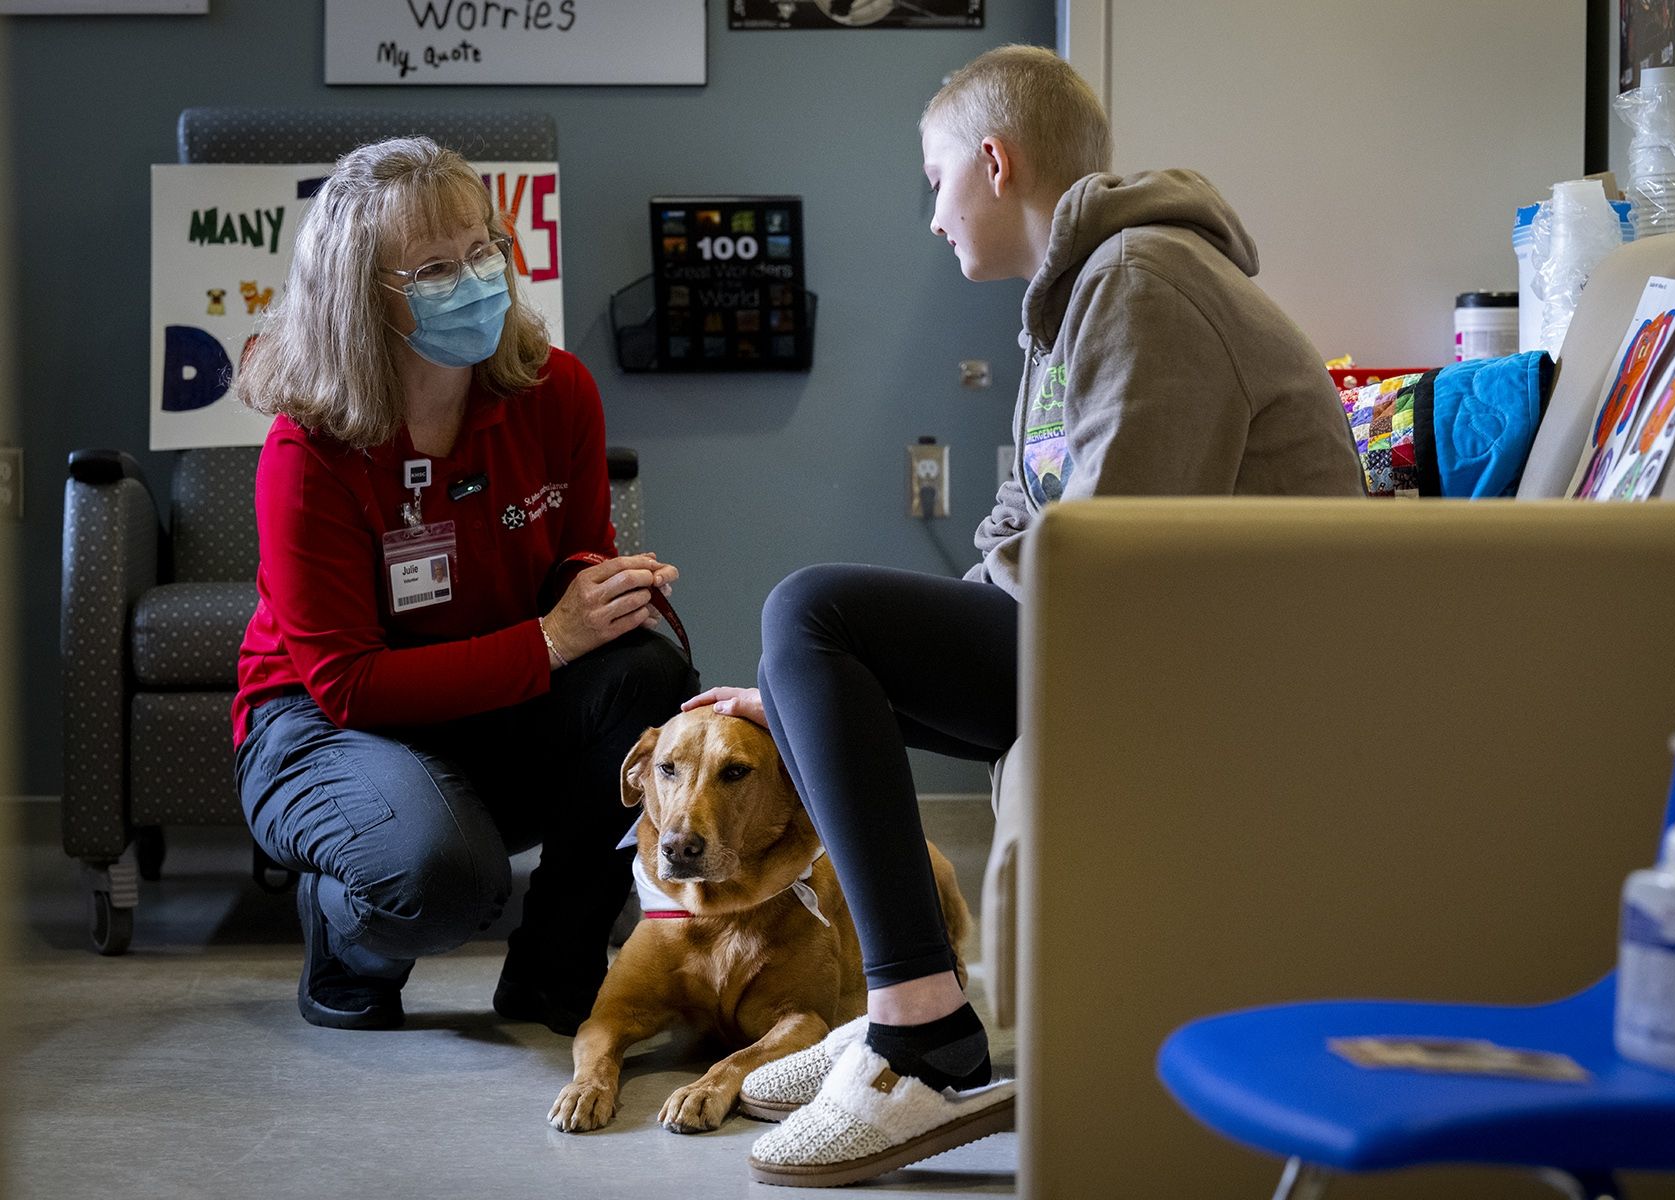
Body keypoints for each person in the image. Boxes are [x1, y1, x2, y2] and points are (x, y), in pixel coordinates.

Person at [686, 44, 1364, 1186]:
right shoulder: (1070, 303)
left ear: (995, 163)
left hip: (1236, 658)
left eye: (936, 181)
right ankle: (924, 1013)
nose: (934, 216)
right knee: (804, 653)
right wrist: (823, 695)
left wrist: (866, 663)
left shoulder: (1144, 280)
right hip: (1154, 633)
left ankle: (919, 1028)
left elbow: (1119, 547)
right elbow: (1020, 532)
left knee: (811, 608)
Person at [233, 137, 696, 1036]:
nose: (476, 278)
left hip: (492, 700)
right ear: (365, 298)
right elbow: (348, 682)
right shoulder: (310, 448)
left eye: (485, 249)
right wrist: (554, 639)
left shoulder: (556, 390)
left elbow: (571, 556)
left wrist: (605, 592)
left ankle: (557, 974)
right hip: (320, 726)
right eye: (437, 267)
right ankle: (343, 934)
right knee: (443, 880)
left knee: (649, 677)